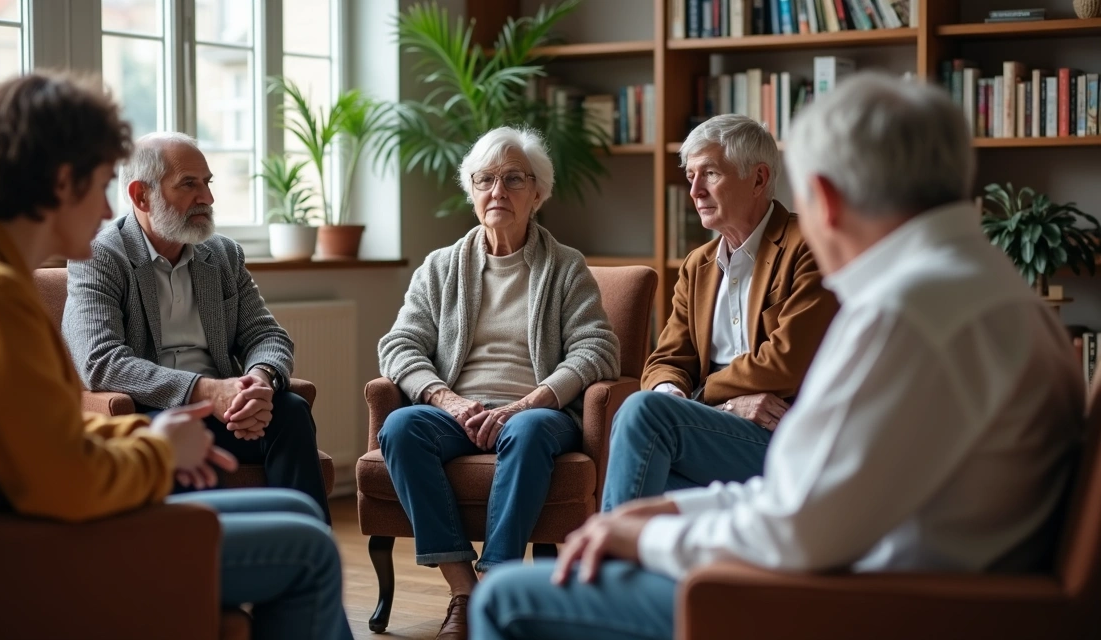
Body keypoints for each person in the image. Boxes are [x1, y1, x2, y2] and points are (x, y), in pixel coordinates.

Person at [470, 72, 1084, 640]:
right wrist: (671, 510)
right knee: (642, 443)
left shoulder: (904, 313)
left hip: (867, 597)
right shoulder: (985, 287)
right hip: (893, 566)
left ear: (823, 197)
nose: (694, 190)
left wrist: (649, 537)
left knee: (503, 601)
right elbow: (810, 488)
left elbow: (798, 526)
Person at [0, 72, 352, 640]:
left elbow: (46, 440)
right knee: (306, 548)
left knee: (299, 513)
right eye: (105, 183)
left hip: (31, 523)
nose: (110, 208)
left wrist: (152, 439)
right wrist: (158, 452)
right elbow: (57, 481)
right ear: (62, 182)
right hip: (30, 550)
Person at [376, 125, 620, 639]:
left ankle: (498, 577)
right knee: (400, 427)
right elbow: (397, 346)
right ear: (471, 191)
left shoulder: (565, 268)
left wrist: (530, 401)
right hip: (456, 411)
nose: (497, 192)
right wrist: (450, 401)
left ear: (538, 192)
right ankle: (465, 591)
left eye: (513, 179)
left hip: (537, 413)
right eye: (485, 179)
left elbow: (598, 349)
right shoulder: (440, 268)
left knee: (528, 431)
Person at [61, 131, 330, 522]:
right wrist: (205, 391)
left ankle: (308, 554)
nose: (207, 197)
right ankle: (202, 569)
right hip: (152, 413)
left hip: (230, 410)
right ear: (141, 196)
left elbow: (266, 335)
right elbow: (101, 361)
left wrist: (259, 379)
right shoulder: (99, 257)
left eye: (207, 183)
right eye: (189, 184)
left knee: (289, 410)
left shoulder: (223, 255)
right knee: (179, 435)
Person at [601, 114, 838, 512]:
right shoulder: (698, 264)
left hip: (786, 437)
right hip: (714, 431)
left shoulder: (809, 246)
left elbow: (785, 363)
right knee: (646, 455)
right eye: (691, 176)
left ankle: (603, 562)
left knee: (644, 415)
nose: (694, 191)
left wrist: (696, 400)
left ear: (759, 179)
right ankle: (631, 566)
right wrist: (673, 391)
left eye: (709, 174)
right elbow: (666, 359)